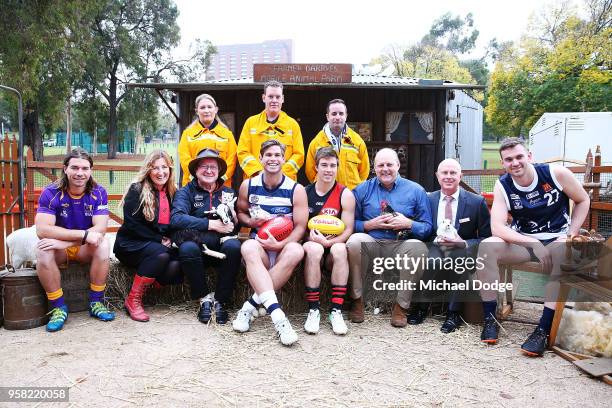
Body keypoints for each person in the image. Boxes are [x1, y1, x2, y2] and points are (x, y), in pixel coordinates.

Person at [477, 137, 590, 356]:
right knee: (486, 248)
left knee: (563, 253)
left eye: (519, 157)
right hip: (525, 241)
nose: (515, 163)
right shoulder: (503, 185)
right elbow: (497, 228)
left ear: (529, 157)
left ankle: (543, 329)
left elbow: (583, 200)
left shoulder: (556, 174)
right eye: (508, 159)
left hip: (557, 238)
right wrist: (533, 243)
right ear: (503, 163)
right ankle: (490, 319)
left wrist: (570, 234)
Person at [232, 139, 308, 346]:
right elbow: (241, 212)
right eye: (268, 155)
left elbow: (301, 226)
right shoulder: (248, 185)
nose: (273, 159)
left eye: (277, 155)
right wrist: (250, 221)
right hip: (261, 246)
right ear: (260, 158)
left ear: (284, 159)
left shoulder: (296, 189)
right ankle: (279, 318)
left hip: (283, 247)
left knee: (296, 250)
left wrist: (280, 245)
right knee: (247, 245)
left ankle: (249, 307)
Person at [346, 148, 432, 327]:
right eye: (380, 165)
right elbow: (349, 224)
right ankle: (357, 300)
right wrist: (370, 225)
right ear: (374, 168)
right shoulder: (361, 190)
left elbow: (427, 228)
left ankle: (401, 307)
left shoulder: (416, 190)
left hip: (401, 244)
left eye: (389, 164)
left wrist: (408, 223)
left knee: (418, 248)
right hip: (373, 243)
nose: (385, 169)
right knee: (354, 242)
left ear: (398, 166)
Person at [35, 148, 114, 332]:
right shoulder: (50, 192)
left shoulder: (99, 192)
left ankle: (96, 302)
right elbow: (42, 230)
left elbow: (100, 229)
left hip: (81, 248)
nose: (80, 173)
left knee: (103, 244)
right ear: (65, 169)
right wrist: (83, 235)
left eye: (85, 168)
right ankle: (58, 307)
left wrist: (67, 241)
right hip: (61, 251)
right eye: (75, 168)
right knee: (42, 250)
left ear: (91, 171)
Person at [408, 158, 491, 332]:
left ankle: (454, 313)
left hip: (462, 249)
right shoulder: (428, 199)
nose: (448, 176)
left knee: (460, 260)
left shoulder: (477, 202)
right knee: (430, 260)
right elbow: (422, 228)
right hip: (434, 246)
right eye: (444, 173)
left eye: (453, 173)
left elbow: (486, 237)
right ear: (437, 176)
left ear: (461, 176)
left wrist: (464, 243)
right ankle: (422, 307)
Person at [170, 148, 241, 324]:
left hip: (221, 248)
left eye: (213, 167)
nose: (209, 171)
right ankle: (204, 299)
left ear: (219, 171)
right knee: (186, 248)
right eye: (204, 166)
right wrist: (210, 224)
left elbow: (236, 224)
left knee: (234, 247)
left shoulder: (229, 193)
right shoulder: (185, 192)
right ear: (195, 170)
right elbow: (176, 218)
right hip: (196, 249)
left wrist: (236, 218)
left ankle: (221, 301)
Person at [114, 150, 181, 322]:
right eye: (155, 168)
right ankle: (133, 300)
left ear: (170, 169)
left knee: (177, 262)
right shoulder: (136, 189)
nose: (160, 172)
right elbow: (132, 224)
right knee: (161, 254)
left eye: (164, 167)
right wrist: (160, 240)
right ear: (148, 170)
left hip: (157, 245)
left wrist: (173, 239)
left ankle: (150, 285)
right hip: (131, 244)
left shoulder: (173, 192)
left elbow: (175, 222)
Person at [302, 147, 355, 335]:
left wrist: (329, 243)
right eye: (324, 165)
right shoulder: (304, 192)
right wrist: (312, 238)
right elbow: (300, 228)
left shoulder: (345, 194)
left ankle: (336, 311)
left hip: (333, 247)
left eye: (333, 165)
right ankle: (313, 309)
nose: (328, 169)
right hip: (311, 246)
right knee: (314, 249)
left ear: (337, 167)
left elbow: (348, 229)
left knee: (341, 250)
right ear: (316, 167)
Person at [237, 80, 304, 180]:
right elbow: (242, 152)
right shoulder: (251, 123)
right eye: (270, 96)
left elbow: (299, 155)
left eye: (277, 97)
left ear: (283, 99)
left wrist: (280, 173)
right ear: (264, 98)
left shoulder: (292, 125)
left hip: (285, 182)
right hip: (255, 180)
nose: (274, 100)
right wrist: (259, 172)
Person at [305, 99, 370, 189]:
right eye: (334, 114)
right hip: (326, 196)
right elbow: (310, 172)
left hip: (352, 196)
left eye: (341, 113)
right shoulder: (316, 143)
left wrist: (356, 190)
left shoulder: (357, 141)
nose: (338, 117)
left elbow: (364, 171)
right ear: (327, 116)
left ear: (346, 116)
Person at [178, 93, 237, 187]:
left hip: (221, 186)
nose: (206, 110)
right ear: (197, 111)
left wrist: (220, 179)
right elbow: (185, 160)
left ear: (216, 109)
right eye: (202, 107)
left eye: (209, 107)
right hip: (193, 186)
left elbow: (232, 160)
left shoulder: (227, 135)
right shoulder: (187, 134)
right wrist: (198, 179)